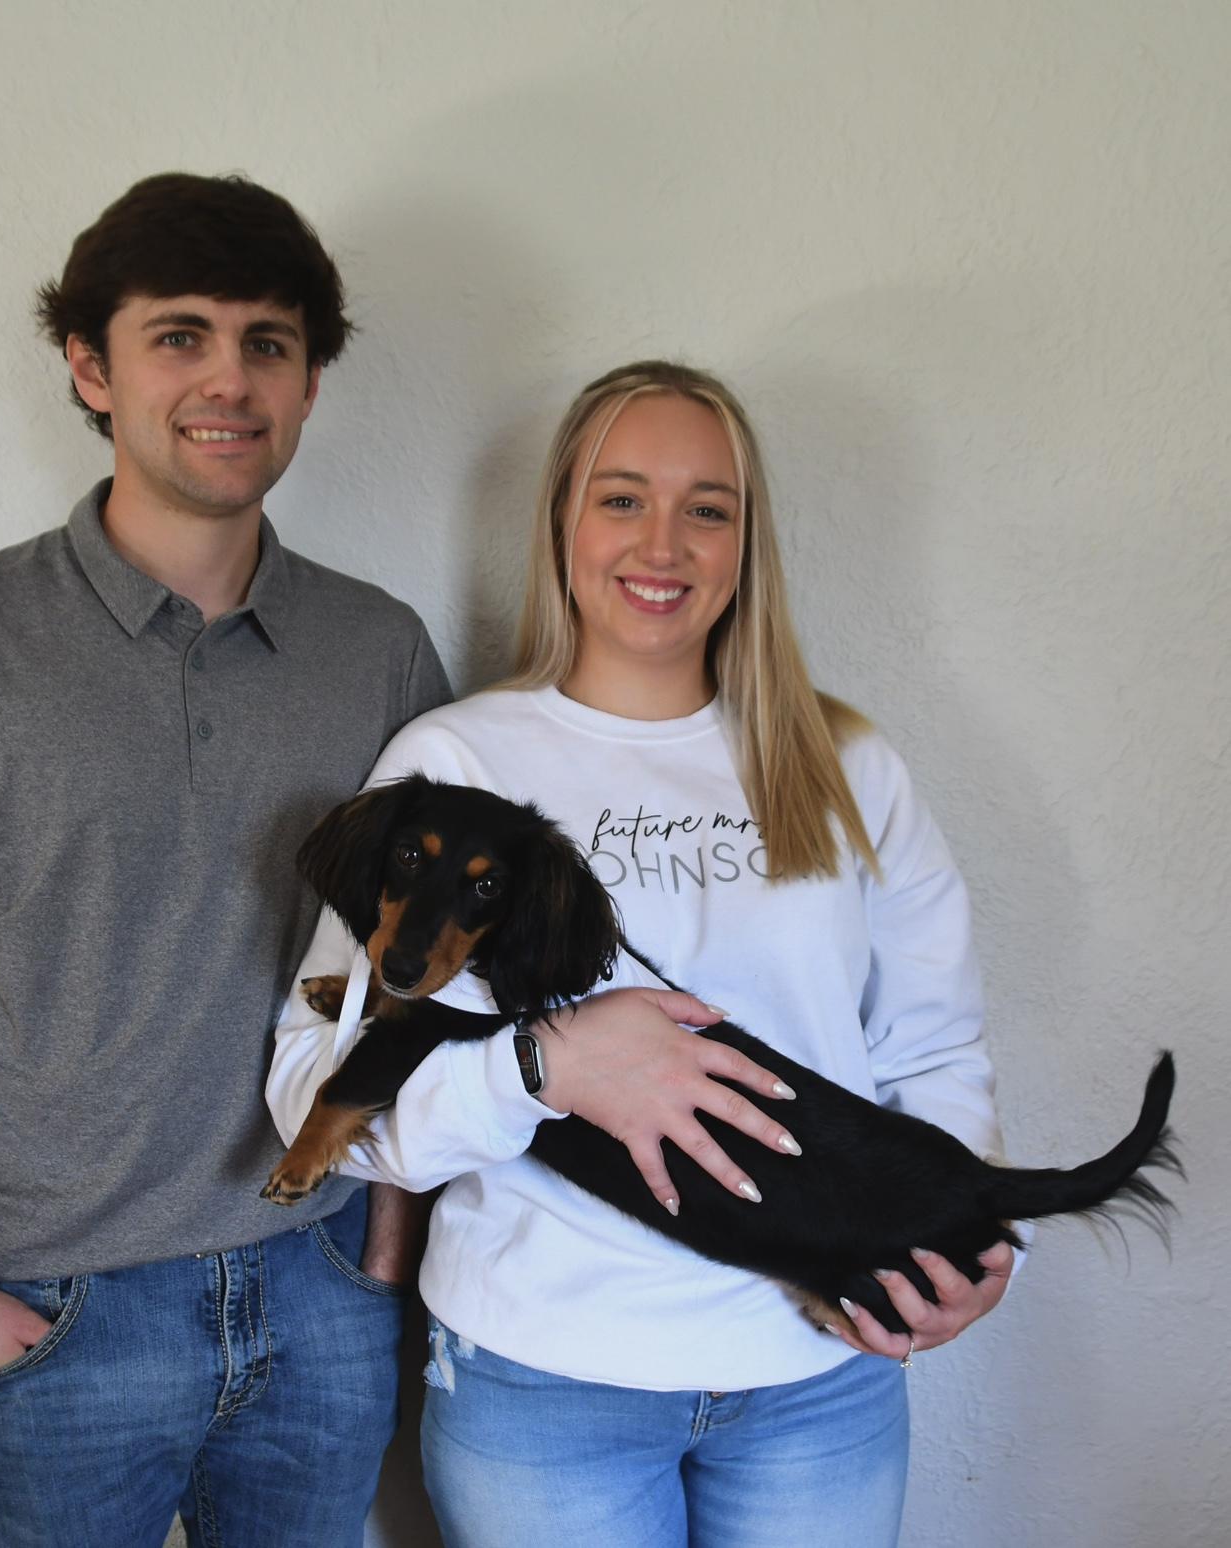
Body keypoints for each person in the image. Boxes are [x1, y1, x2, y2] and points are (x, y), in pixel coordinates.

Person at [0, 172, 450, 1547]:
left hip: (319, 1287)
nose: (229, 380)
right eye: (180, 336)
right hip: (52, 1316)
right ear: (91, 368)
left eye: (267, 342)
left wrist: (384, 1247)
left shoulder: (379, 650)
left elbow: (431, 973)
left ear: (309, 383)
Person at [268, 359, 1016, 1547]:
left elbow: (933, 1049)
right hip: (543, 1387)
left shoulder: (846, 766)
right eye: (621, 498)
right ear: (562, 519)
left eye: (706, 508)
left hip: (820, 1376)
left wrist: (960, 1235)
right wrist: (542, 1066)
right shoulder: (453, 764)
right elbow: (312, 1088)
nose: (661, 544)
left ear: (746, 541)